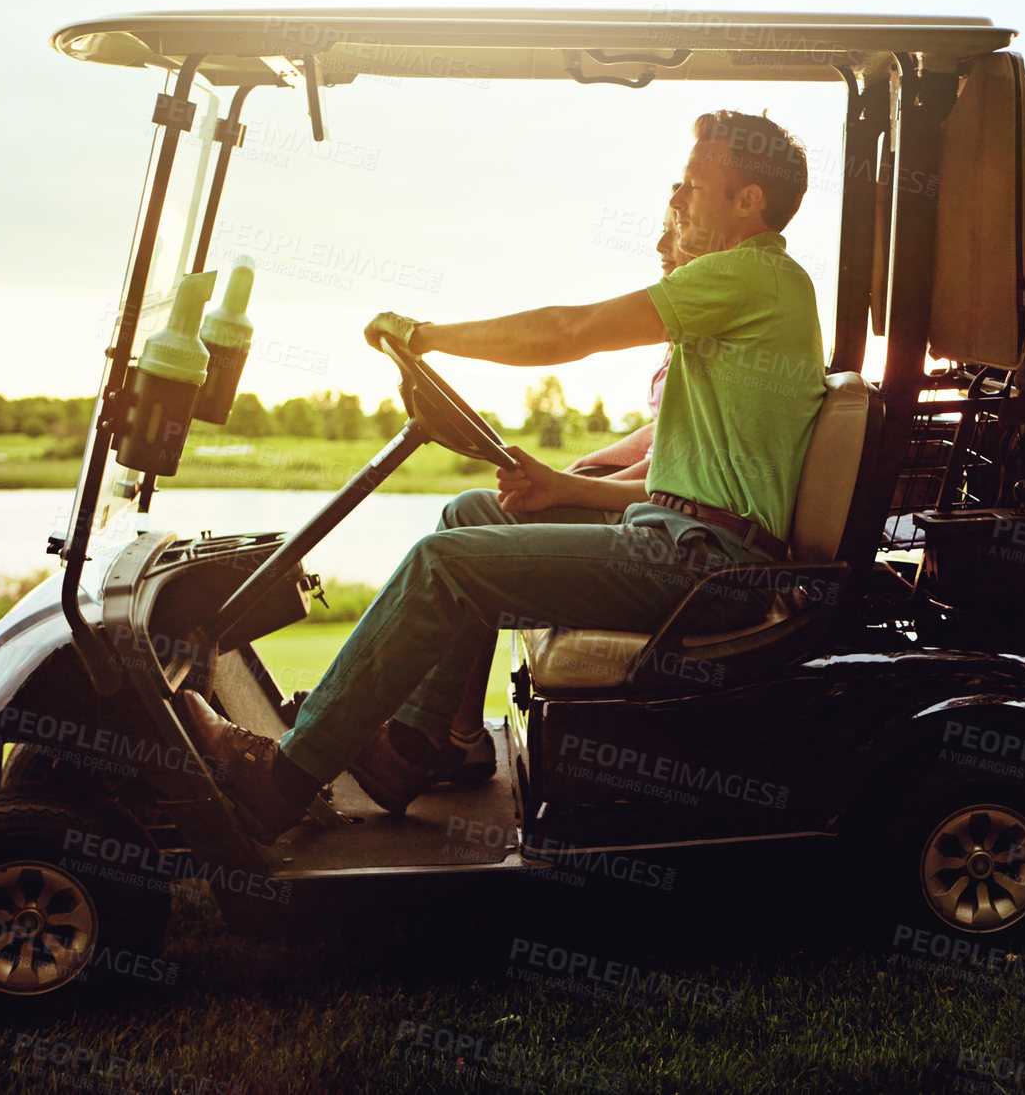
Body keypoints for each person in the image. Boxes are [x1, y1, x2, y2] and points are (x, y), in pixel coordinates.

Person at [180, 110, 827, 843]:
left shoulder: (751, 274)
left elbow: (565, 333)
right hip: (682, 539)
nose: (678, 198)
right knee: (469, 515)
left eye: (693, 184)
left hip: (705, 569)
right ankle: (423, 745)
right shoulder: (750, 290)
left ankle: (282, 780)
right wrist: (564, 487)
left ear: (749, 201)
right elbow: (683, 486)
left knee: (442, 563)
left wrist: (428, 337)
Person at [410, 203, 694, 798]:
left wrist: (565, 488)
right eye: (667, 226)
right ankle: (448, 732)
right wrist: (569, 475)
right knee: (472, 512)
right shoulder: (683, 342)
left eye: (681, 225)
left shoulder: (714, 335)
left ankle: (424, 734)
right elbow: (650, 444)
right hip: (657, 512)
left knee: (461, 537)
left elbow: (667, 470)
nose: (665, 244)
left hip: (678, 538)